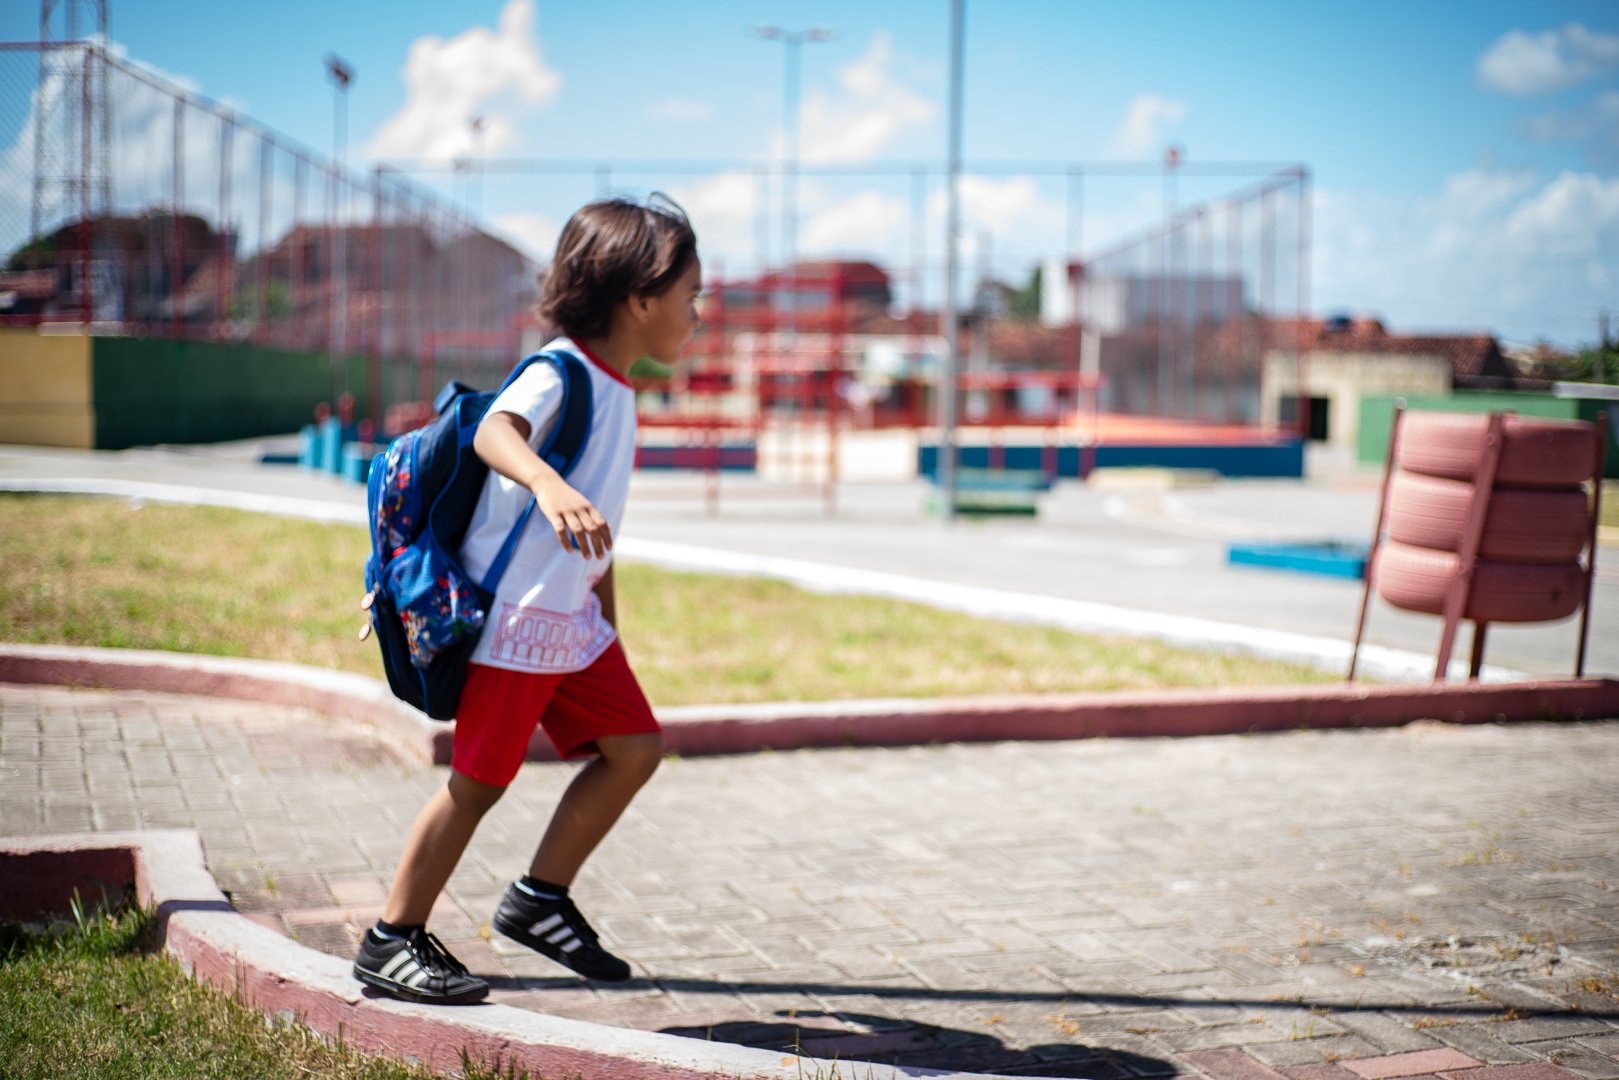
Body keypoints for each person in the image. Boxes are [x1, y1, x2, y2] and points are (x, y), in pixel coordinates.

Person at [352, 195, 702, 1004]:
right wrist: (544, 481)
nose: (695, 312)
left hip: (570, 626)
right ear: (640, 298)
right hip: (516, 624)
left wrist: (607, 621)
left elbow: (594, 527)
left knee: (634, 749)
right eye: (691, 295)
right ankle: (389, 939)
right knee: (477, 783)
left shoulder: (619, 391)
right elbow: (493, 432)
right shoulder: (562, 370)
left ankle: (539, 899)